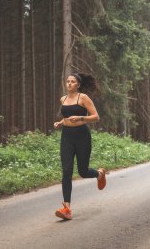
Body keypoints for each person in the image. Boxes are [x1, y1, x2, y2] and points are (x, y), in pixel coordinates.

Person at [53, 73, 106, 220]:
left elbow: (96, 116)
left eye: (72, 82)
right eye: (68, 81)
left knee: (83, 171)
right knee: (67, 170)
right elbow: (66, 118)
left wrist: (81, 118)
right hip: (67, 137)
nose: (69, 83)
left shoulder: (83, 98)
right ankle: (66, 208)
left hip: (82, 136)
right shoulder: (63, 99)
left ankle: (99, 174)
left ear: (78, 85)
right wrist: (60, 123)